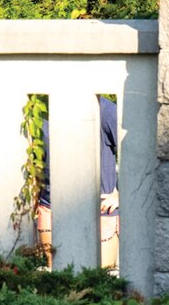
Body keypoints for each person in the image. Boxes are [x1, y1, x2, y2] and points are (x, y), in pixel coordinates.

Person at [36, 96, 120, 269]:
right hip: (51, 207)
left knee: (98, 279)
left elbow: (135, 148)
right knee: (59, 281)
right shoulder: (40, 108)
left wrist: (120, 193)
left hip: (101, 209)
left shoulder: (103, 109)